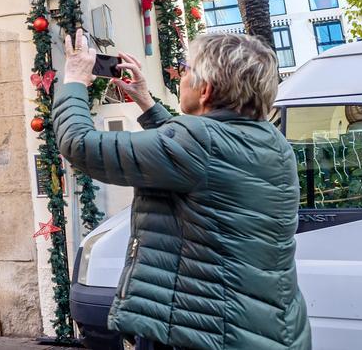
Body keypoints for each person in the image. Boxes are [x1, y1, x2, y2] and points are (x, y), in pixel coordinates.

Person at [55, 31, 309, 350]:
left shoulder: (199, 142)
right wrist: (145, 101)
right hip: (261, 327)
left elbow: (79, 146)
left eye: (187, 68)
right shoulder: (272, 142)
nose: (181, 75)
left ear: (206, 89)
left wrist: (74, 79)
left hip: (199, 332)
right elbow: (193, 157)